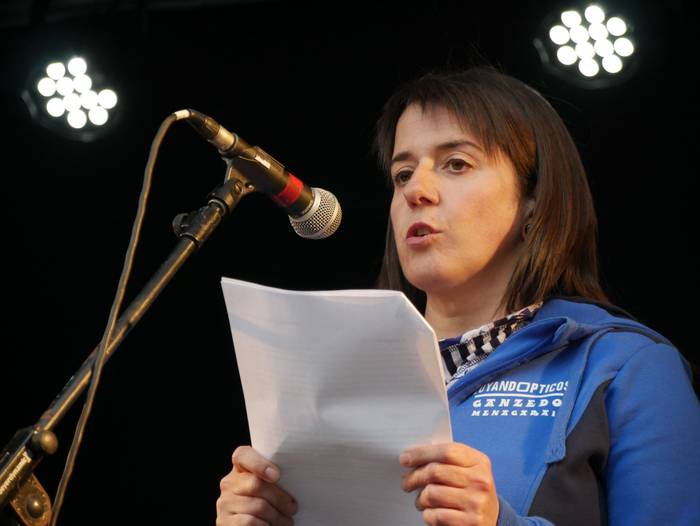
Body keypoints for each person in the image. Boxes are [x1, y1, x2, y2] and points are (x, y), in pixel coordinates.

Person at [215, 67, 700, 525]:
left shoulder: (625, 366)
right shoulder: (330, 372)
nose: (417, 191)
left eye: (456, 164)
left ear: (534, 200)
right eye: (403, 174)